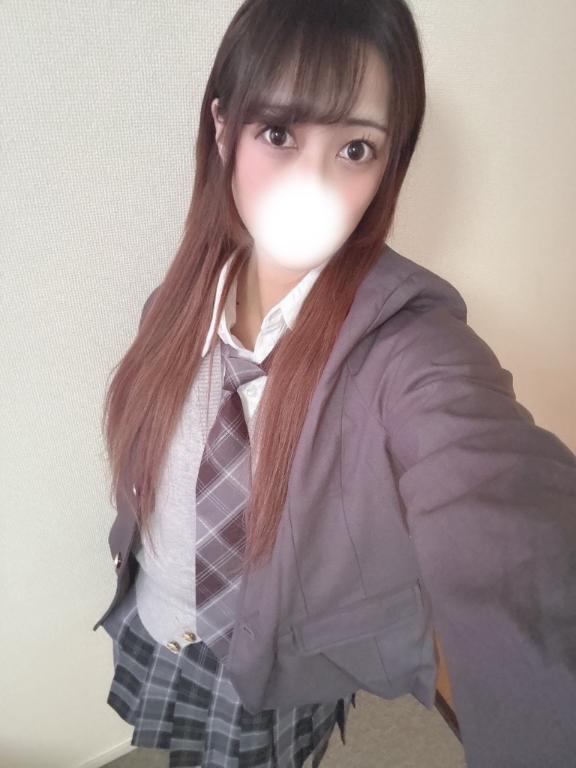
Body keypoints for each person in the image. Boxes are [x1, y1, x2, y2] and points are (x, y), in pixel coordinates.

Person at [93, 1, 576, 767]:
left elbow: (506, 515)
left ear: (389, 166)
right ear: (222, 128)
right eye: (279, 133)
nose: (310, 184)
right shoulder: (173, 306)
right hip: (158, 625)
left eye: (355, 148)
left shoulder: (409, 350)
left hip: (272, 674)